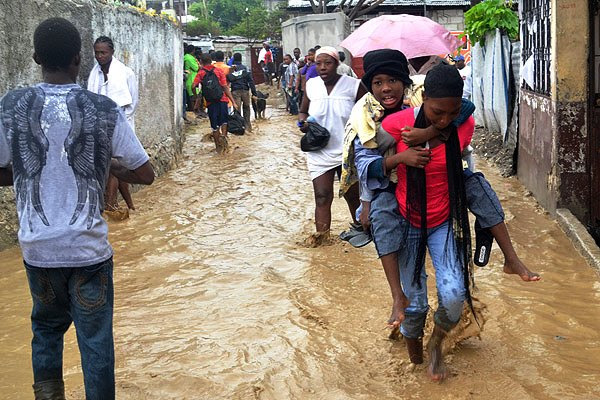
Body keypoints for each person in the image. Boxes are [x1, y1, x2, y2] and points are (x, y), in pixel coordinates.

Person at [343, 49, 540, 369]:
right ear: (370, 86)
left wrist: (428, 132)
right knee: (408, 284)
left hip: (441, 208)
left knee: (475, 188)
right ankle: (405, 322)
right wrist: (397, 162)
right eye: (378, 82)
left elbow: (461, 112)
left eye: (393, 80)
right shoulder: (375, 121)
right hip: (398, 202)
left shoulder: (439, 107)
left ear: (406, 84)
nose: (386, 88)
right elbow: (366, 167)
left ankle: (507, 262)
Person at [0, 18, 154, 399]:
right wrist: (109, 165)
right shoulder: (103, 109)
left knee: (46, 331)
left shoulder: (10, 105)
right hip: (88, 252)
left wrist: (25, 173)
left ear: (35, 56)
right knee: (96, 341)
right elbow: (145, 173)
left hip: (38, 249)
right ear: (78, 57)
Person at [297, 46, 367, 244]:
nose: (322, 67)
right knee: (321, 196)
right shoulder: (311, 85)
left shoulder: (353, 85)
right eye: (318, 63)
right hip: (320, 150)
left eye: (327, 63)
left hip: (348, 150)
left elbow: (367, 112)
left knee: (353, 196)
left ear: (337, 64)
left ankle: (361, 234)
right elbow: (303, 110)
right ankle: (322, 239)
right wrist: (302, 122)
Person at [88, 36, 139, 214]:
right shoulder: (94, 75)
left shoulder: (126, 73)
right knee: (116, 168)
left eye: (103, 52)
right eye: (97, 53)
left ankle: (110, 207)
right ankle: (129, 206)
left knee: (114, 166)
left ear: (112, 52)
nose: (100, 56)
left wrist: (118, 127)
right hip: (99, 128)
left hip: (121, 127)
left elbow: (132, 103)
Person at [193, 53, 238, 154]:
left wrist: (197, 98)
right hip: (222, 100)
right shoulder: (218, 71)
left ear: (201, 62)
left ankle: (218, 148)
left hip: (210, 103)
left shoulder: (201, 73)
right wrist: (233, 102)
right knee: (224, 122)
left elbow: (193, 86)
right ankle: (225, 143)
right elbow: (225, 87)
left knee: (214, 126)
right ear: (211, 60)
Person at [227, 52, 258, 131]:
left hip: (235, 91)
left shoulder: (231, 69)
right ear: (241, 59)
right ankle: (248, 126)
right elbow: (251, 81)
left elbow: (228, 79)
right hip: (245, 90)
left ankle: (239, 127)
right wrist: (254, 93)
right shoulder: (245, 68)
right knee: (246, 108)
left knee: (237, 109)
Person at [183, 44, 199, 112]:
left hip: (190, 78)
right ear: (193, 51)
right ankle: (194, 111)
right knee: (193, 97)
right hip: (191, 79)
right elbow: (196, 68)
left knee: (193, 97)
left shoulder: (187, 57)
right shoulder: (189, 58)